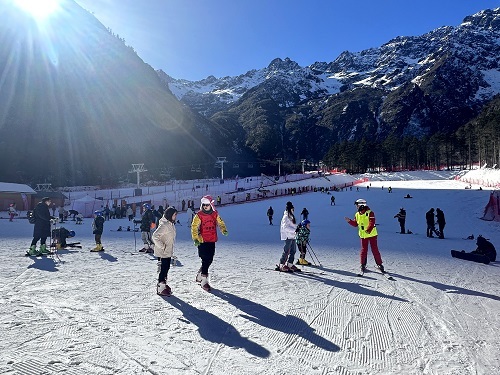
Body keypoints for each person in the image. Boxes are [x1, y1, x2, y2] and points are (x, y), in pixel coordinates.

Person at [191, 195, 228, 291]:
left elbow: (220, 222)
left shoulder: (215, 214)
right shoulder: (199, 215)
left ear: (211, 205)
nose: (205, 207)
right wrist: (195, 238)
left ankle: (201, 273)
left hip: (212, 239)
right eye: (203, 205)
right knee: (205, 258)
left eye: (207, 205)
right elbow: (194, 227)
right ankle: (204, 280)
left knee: (210, 259)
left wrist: (223, 229)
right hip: (202, 240)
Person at [344, 198, 385, 273]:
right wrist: (349, 221)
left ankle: (379, 264)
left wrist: (368, 230)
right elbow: (356, 224)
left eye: (357, 205)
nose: (356, 207)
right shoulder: (357, 214)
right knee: (364, 250)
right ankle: (363, 264)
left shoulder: (370, 213)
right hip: (363, 236)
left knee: (375, 249)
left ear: (361, 205)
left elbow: (372, 222)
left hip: (372, 234)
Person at [152, 206, 178, 296]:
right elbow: (155, 236)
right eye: (174, 215)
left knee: (166, 268)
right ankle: (160, 287)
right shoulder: (165, 225)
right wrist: (162, 246)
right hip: (163, 252)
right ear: (170, 215)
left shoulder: (170, 224)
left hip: (167, 251)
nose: (175, 217)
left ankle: (164, 284)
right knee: (163, 269)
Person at [278, 201, 300, 272]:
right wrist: (295, 230)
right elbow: (285, 227)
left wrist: (297, 227)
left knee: (293, 250)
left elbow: (292, 226)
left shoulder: (291, 216)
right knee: (287, 250)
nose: (293, 210)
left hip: (292, 236)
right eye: (292, 209)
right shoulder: (286, 216)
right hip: (288, 236)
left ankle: (290, 264)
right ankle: (281, 265)